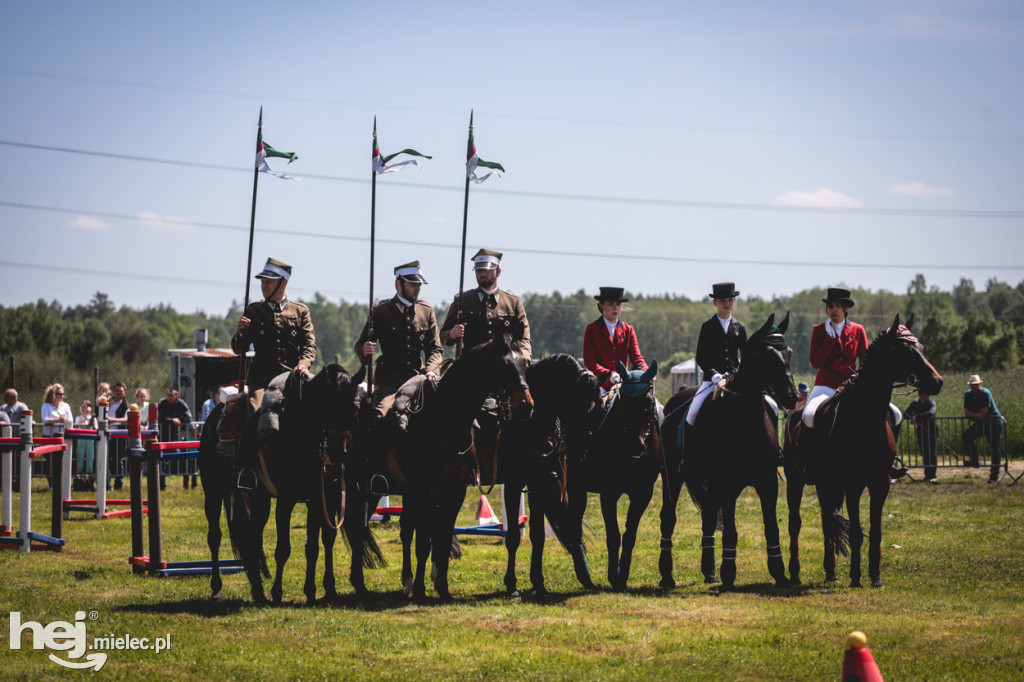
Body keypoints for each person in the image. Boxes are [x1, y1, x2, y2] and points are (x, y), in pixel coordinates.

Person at [807, 287, 906, 478]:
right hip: (826, 385)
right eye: (830, 306)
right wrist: (829, 339)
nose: (833, 310)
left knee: (895, 413)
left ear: (846, 309)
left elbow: (866, 361)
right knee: (809, 415)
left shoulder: (858, 330)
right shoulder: (819, 331)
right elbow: (814, 363)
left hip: (853, 385)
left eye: (837, 306)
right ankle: (812, 462)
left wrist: (861, 380)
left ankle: (889, 461)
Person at [356, 260, 443, 420]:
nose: (417, 288)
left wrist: (432, 370)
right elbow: (360, 344)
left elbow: (435, 349)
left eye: (419, 285)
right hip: (389, 381)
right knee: (379, 417)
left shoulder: (426, 311)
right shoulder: (381, 311)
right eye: (412, 284)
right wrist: (365, 350)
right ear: (399, 283)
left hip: (419, 378)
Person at [232, 257, 317, 413]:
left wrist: (303, 365)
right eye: (262, 282)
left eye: (268, 282)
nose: (264, 286)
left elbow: (308, 345)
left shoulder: (300, 311)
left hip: (292, 377)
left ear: (282, 283)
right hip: (261, 381)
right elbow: (239, 349)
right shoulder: (253, 310)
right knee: (256, 411)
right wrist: (241, 333)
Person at [439, 249, 532, 360]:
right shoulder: (462, 300)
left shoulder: (513, 302)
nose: (482, 274)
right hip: (470, 364)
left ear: (498, 272)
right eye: (479, 270)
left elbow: (524, 338)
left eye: (487, 270)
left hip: (504, 364)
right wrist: (451, 334)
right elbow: (442, 336)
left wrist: (525, 358)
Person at [687, 282, 747, 426]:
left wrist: (738, 373)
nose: (727, 303)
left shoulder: (740, 328)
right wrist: (713, 374)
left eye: (730, 300)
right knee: (692, 414)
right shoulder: (707, 327)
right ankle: (688, 448)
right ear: (715, 302)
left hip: (735, 381)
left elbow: (745, 356)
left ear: (734, 302)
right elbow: (701, 357)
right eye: (722, 300)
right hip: (711, 381)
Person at [583, 286, 647, 393]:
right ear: (601, 305)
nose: (615, 308)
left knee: (656, 408)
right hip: (601, 384)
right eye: (610, 304)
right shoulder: (592, 329)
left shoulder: (628, 330)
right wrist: (610, 374)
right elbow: (590, 362)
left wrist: (644, 372)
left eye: (618, 304)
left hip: (624, 383)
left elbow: (637, 358)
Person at [962, 374, 1004, 483]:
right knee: (966, 436)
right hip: (982, 423)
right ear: (970, 386)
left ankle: (994, 476)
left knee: (994, 448)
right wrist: (975, 415)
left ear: (980, 384)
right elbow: (968, 412)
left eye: (976, 384)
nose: (974, 387)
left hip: (994, 422)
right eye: (972, 385)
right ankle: (974, 460)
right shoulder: (967, 394)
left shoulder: (986, 393)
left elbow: (983, 413)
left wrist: (972, 414)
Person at [158, 388, 194, 490]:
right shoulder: (162, 403)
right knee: (161, 458)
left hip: (175, 435)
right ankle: (161, 485)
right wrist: (172, 420)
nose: (169, 397)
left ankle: (186, 483)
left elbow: (189, 418)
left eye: (172, 395)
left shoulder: (181, 404)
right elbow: (159, 417)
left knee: (179, 456)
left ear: (176, 396)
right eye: (168, 395)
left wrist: (180, 420)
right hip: (162, 435)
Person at [906, 391, 938, 483]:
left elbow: (930, 413)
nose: (929, 396)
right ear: (921, 395)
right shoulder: (915, 403)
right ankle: (927, 474)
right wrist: (912, 416)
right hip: (921, 431)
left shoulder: (931, 402)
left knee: (932, 452)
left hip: (932, 430)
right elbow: (906, 413)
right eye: (926, 394)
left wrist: (917, 416)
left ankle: (932, 475)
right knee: (924, 452)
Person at [74, 399, 98, 484]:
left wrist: (93, 422)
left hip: (90, 438)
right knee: (80, 456)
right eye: (83, 407)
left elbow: (96, 429)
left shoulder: (93, 418)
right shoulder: (78, 418)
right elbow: (77, 426)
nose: (85, 408)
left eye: (87, 406)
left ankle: (90, 475)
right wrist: (83, 419)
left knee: (90, 456)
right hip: (81, 438)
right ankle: (79, 475)